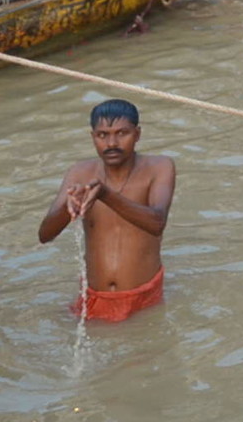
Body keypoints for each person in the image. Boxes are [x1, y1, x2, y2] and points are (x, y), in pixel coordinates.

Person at [37, 100, 174, 322]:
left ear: (137, 134)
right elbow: (45, 235)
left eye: (122, 133)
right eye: (102, 135)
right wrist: (70, 206)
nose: (112, 143)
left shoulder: (160, 167)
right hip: (93, 298)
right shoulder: (80, 172)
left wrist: (105, 194)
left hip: (143, 298)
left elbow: (156, 223)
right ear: (93, 137)